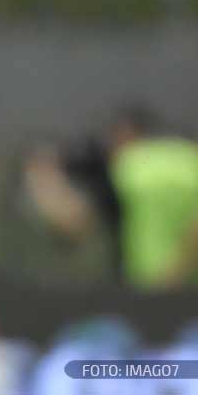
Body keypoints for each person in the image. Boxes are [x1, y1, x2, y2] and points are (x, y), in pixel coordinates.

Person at [25, 105, 198, 289]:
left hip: (150, 289)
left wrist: (42, 181)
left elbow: (75, 223)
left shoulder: (129, 169)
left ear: (126, 135)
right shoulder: (188, 160)